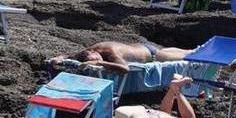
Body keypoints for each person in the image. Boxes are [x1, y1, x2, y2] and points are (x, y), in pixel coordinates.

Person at [49, 41, 194, 74]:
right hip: (143, 47)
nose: (95, 61)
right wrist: (60, 57)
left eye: (95, 59)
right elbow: (73, 55)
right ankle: (194, 49)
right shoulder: (90, 50)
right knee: (189, 50)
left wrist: (101, 62)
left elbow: (125, 69)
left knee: (189, 56)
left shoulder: (110, 54)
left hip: (153, 55)